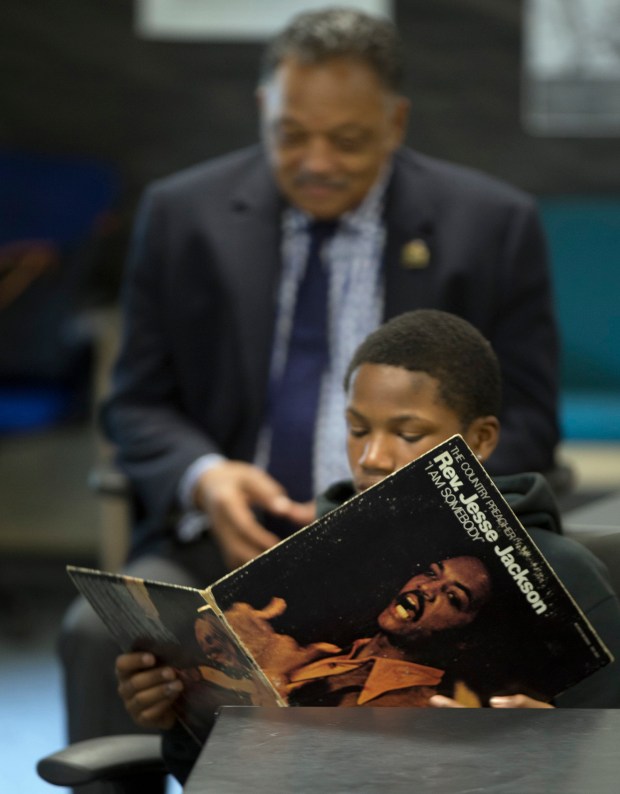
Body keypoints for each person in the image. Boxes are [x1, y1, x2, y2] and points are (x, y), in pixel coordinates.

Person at [59, 7, 562, 784]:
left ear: (395, 123)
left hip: (415, 559)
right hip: (230, 542)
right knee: (100, 642)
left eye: (348, 139)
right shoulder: (183, 215)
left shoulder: (490, 227)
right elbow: (135, 405)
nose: (317, 160)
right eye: (292, 134)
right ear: (264, 109)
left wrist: (411, 515)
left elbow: (527, 419)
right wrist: (204, 475)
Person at [115, 310, 620, 785]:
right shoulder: (305, 574)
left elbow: (606, 766)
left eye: (408, 433)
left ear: (481, 439)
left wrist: (555, 752)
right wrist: (182, 711)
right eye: (357, 430)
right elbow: (221, 777)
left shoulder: (564, 576)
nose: (373, 457)